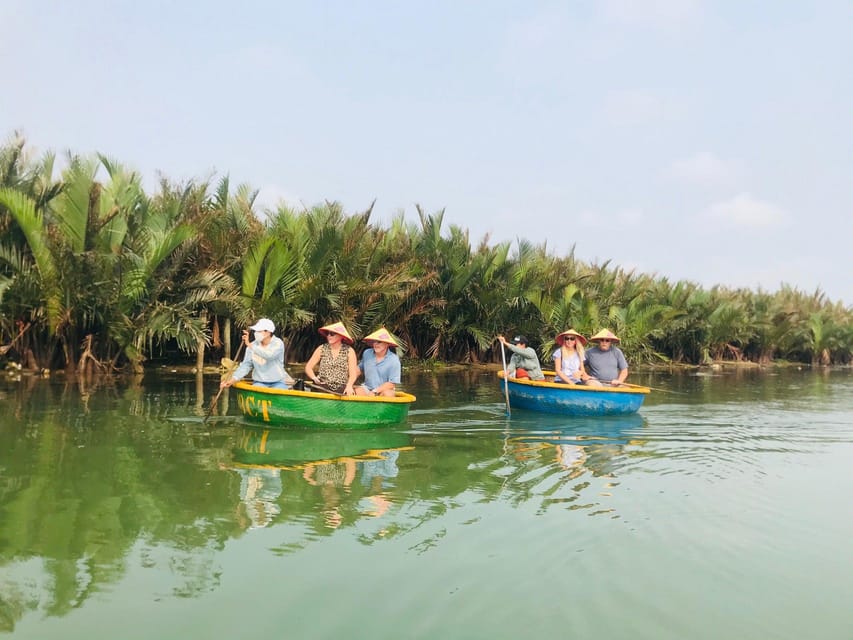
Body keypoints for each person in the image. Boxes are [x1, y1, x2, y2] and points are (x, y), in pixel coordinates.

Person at [220, 318, 290, 389]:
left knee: (280, 389)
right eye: (256, 331)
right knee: (257, 387)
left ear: (268, 332)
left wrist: (250, 345)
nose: (256, 333)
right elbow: (246, 365)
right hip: (259, 382)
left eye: (259, 331)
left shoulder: (278, 343)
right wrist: (232, 380)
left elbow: (269, 355)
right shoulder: (252, 345)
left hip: (278, 382)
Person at [304, 321, 360, 395]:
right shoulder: (321, 348)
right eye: (328, 334)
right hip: (322, 385)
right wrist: (314, 378)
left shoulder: (349, 351)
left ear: (341, 336)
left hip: (341, 387)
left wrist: (349, 386)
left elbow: (353, 374)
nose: (329, 336)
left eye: (332, 334)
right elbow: (308, 367)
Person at [355, 327, 402, 397]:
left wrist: (375, 391)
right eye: (374, 341)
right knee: (358, 391)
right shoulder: (367, 353)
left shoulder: (394, 360)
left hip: (385, 390)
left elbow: (391, 383)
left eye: (379, 342)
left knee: (388, 394)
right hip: (367, 388)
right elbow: (359, 369)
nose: (375, 344)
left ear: (387, 344)